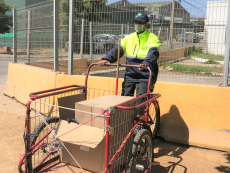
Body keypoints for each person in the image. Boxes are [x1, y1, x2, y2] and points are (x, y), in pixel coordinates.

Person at [98, 12, 161, 111]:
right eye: (136, 22)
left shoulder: (152, 38)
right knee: (125, 99)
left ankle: (139, 122)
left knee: (141, 101)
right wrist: (107, 59)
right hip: (131, 74)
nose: (138, 24)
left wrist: (147, 63)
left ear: (147, 24)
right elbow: (117, 50)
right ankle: (126, 122)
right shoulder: (129, 38)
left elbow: (153, 53)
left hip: (145, 75)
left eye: (140, 22)